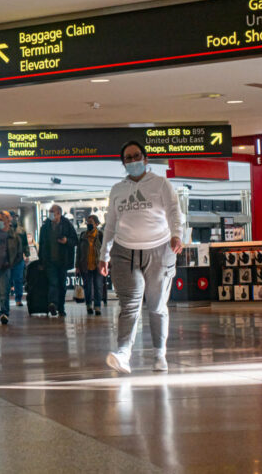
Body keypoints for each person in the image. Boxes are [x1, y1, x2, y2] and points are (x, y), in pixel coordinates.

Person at [101, 141, 183, 374]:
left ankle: (159, 354)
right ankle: (124, 354)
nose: (133, 160)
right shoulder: (117, 189)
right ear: (123, 163)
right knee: (129, 305)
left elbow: (173, 211)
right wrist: (103, 255)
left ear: (146, 159)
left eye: (137, 156)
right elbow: (110, 224)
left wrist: (177, 234)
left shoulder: (161, 184)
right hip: (124, 251)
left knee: (157, 305)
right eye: (128, 158)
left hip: (159, 249)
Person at [38, 204, 78, 318]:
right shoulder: (45, 227)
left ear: (59, 213)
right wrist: (41, 261)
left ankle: (61, 307)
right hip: (50, 261)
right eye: (49, 211)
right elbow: (42, 245)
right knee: (53, 282)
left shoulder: (66, 225)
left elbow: (75, 240)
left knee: (62, 285)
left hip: (63, 260)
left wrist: (66, 241)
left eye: (52, 212)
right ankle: (53, 304)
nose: (50, 214)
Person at [76, 214, 105, 316]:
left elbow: (105, 250)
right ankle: (88, 305)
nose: (89, 224)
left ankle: (97, 307)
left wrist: (106, 263)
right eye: (88, 222)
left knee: (98, 286)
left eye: (91, 222)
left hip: (97, 265)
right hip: (85, 265)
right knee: (87, 287)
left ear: (96, 224)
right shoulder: (83, 235)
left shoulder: (101, 235)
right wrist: (77, 266)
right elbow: (79, 251)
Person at [9, 212, 30, 307]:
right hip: (7, 259)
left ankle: (18, 299)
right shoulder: (4, 229)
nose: (14, 218)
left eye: (15, 217)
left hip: (18, 258)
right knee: (7, 280)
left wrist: (27, 254)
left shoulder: (21, 230)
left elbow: (25, 243)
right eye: (12, 217)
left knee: (18, 279)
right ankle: (5, 299)